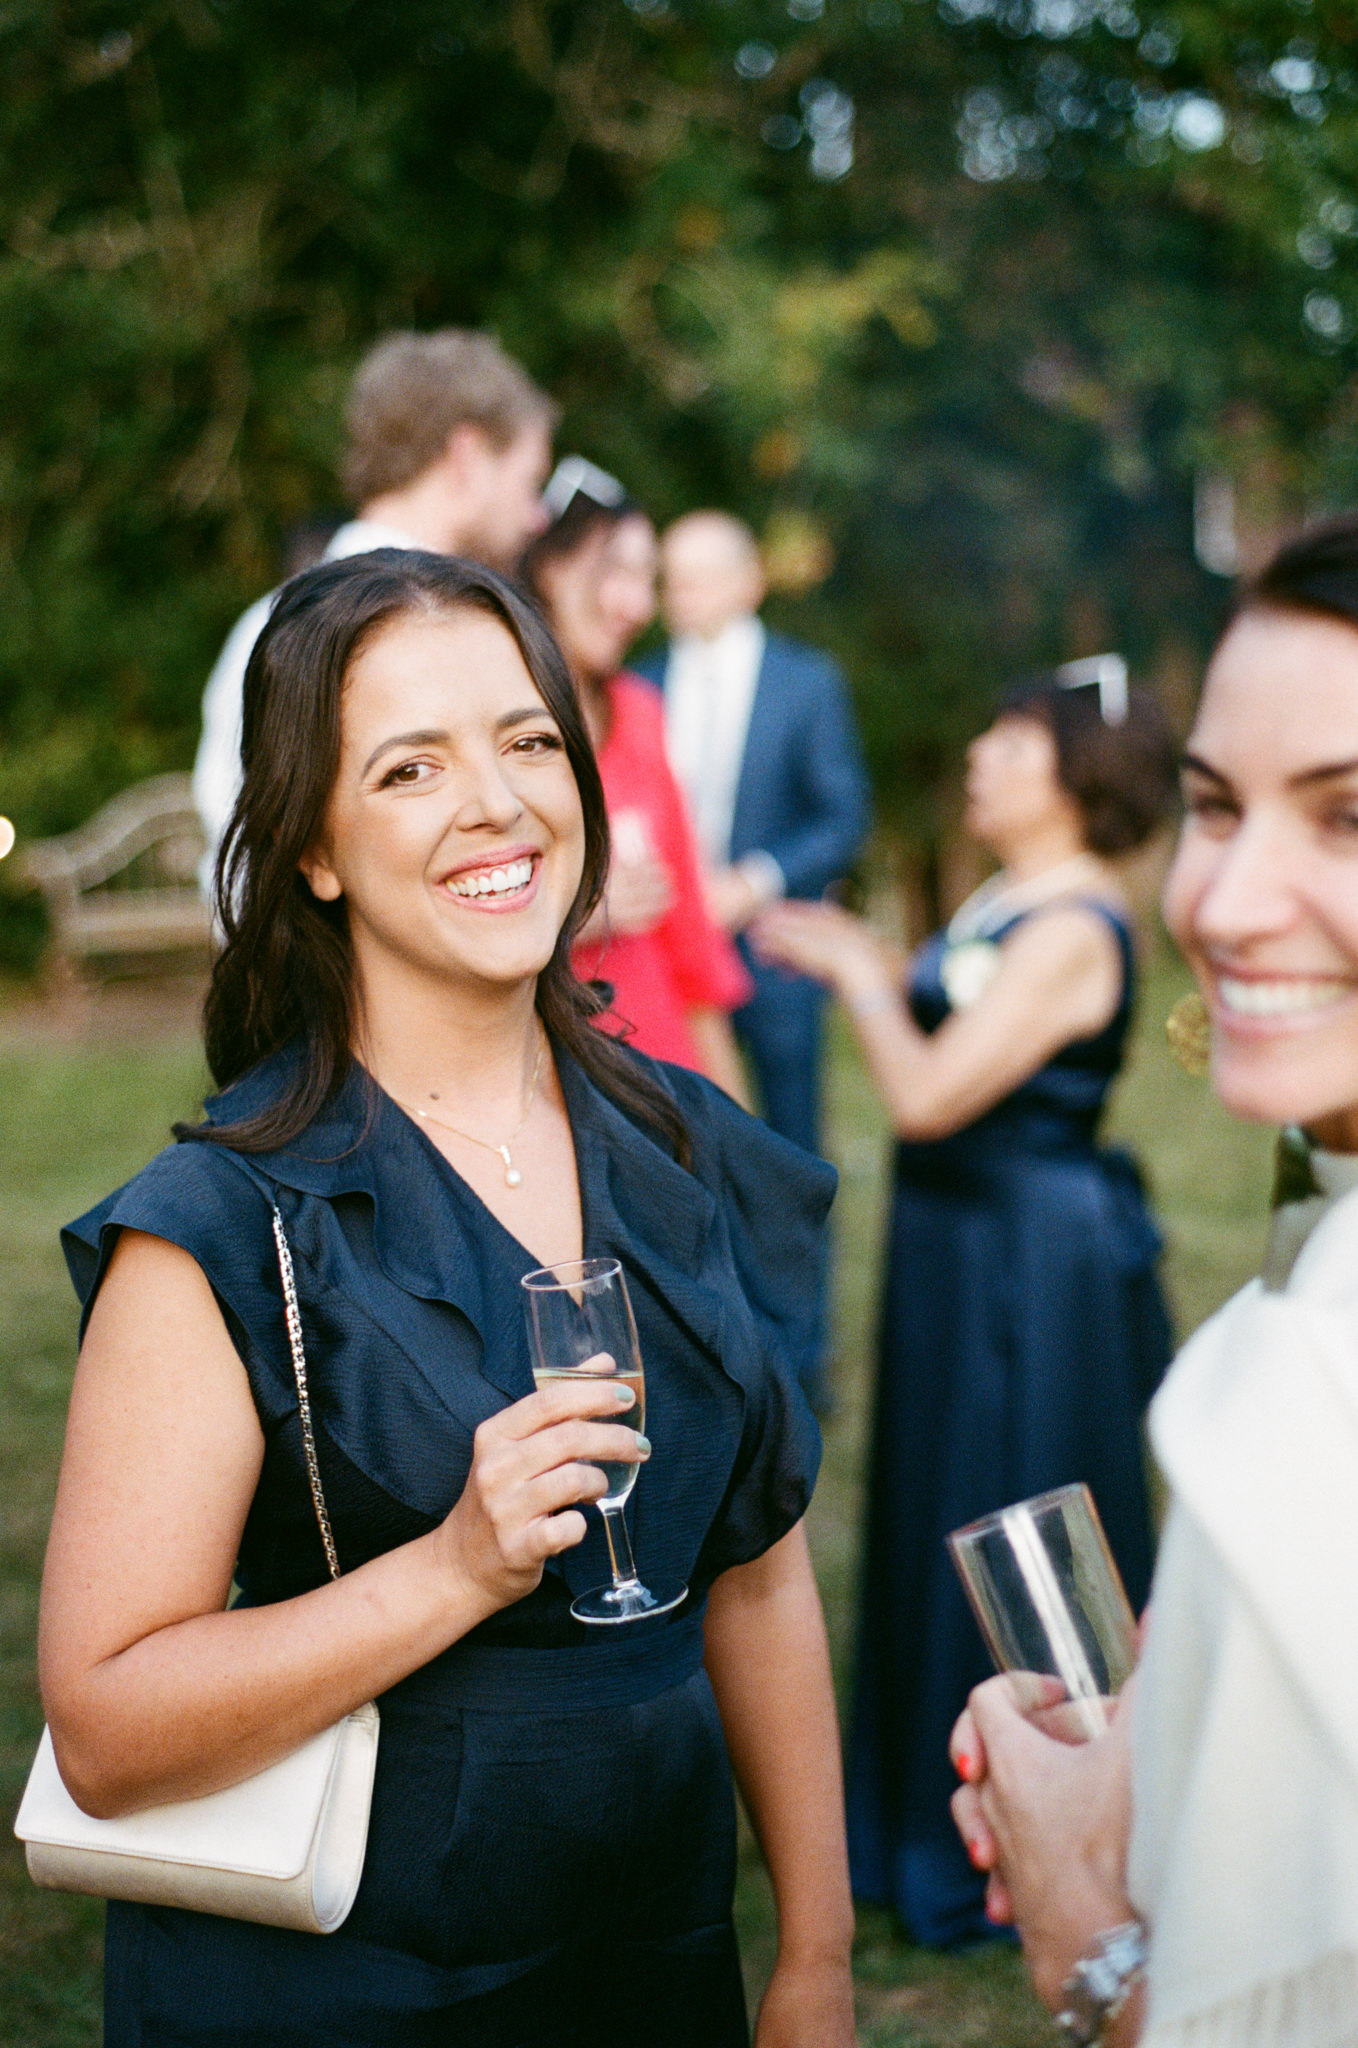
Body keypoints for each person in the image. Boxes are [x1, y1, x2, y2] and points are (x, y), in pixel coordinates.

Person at [39, 550, 856, 2047]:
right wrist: (453, 1569)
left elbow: (756, 1570)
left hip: (654, 1957)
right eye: (411, 767)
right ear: (314, 850)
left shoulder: (683, 1147)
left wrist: (813, 1951)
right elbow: (103, 1725)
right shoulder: (222, 1228)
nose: (496, 802)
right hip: (352, 1980)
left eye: (528, 739)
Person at [950, 518, 1358, 2047]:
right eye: (1212, 806)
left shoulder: (1309, 1388)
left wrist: (1086, 1928)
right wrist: (1195, 1744)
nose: (1228, 903)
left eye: (1348, 816)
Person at [754, 663, 1178, 1949]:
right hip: (961, 1247)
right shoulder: (1009, 899)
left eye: (1009, 735)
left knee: (1016, 1509)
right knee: (946, 1497)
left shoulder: (1075, 925)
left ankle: (1051, 1819)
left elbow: (930, 1092)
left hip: (1031, 1266)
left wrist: (857, 972)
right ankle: (925, 1808)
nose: (980, 754)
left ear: (1073, 773)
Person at [191, 329, 556, 867]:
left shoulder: (273, 622)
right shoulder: (323, 634)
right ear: (467, 456)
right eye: (530, 483)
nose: (537, 516)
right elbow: (252, 862)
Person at [522, 461, 751, 1102]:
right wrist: (571, 916)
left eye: (649, 580)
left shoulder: (641, 710)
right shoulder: (485, 724)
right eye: (615, 570)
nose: (640, 606)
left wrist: (735, 1139)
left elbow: (693, 946)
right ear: (548, 564)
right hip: (549, 1089)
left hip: (668, 1077)